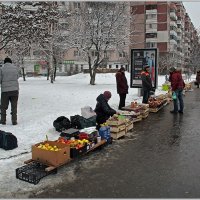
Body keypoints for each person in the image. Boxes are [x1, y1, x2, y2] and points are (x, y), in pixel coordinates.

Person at [0, 57, 19, 125]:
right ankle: (14, 120)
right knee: (14, 106)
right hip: (15, 90)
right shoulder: (15, 68)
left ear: (4, 62)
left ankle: (3, 120)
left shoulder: (2, 68)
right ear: (10, 62)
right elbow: (17, 77)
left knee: (3, 107)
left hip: (5, 91)